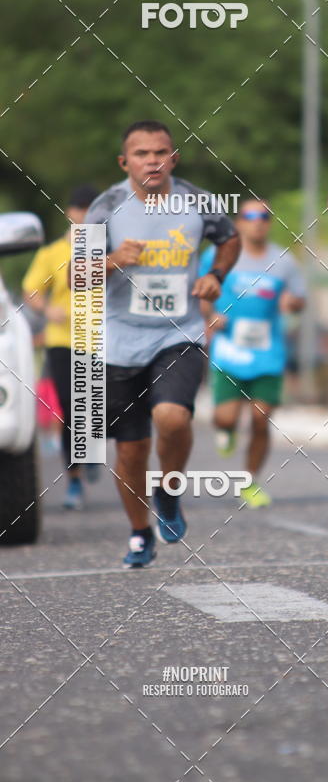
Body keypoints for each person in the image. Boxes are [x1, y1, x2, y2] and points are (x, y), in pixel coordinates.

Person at [82, 120, 240, 567]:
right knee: (131, 449)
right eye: (142, 154)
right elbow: (75, 278)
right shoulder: (105, 206)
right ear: (124, 161)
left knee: (172, 417)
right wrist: (112, 260)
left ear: (174, 157)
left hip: (180, 332)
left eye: (161, 152)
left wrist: (215, 275)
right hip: (119, 341)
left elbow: (228, 240)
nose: (152, 160)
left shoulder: (199, 201)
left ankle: (168, 490)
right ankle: (138, 532)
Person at [198, 198, 305, 507]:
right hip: (229, 349)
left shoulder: (283, 261)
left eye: (264, 216)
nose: (258, 221)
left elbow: (300, 299)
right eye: (250, 216)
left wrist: (292, 304)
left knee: (262, 419)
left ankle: (250, 481)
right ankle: (226, 430)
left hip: (268, 351)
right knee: (225, 417)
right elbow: (202, 292)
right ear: (239, 222)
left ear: (269, 223)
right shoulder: (218, 256)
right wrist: (210, 316)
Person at [24, 185, 100, 509]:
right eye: (82, 210)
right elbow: (32, 291)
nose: (87, 216)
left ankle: (92, 448)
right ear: (71, 213)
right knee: (73, 408)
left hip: (103, 340)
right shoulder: (51, 254)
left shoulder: (110, 251)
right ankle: (74, 480)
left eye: (94, 211)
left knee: (99, 406)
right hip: (63, 341)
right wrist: (46, 309)